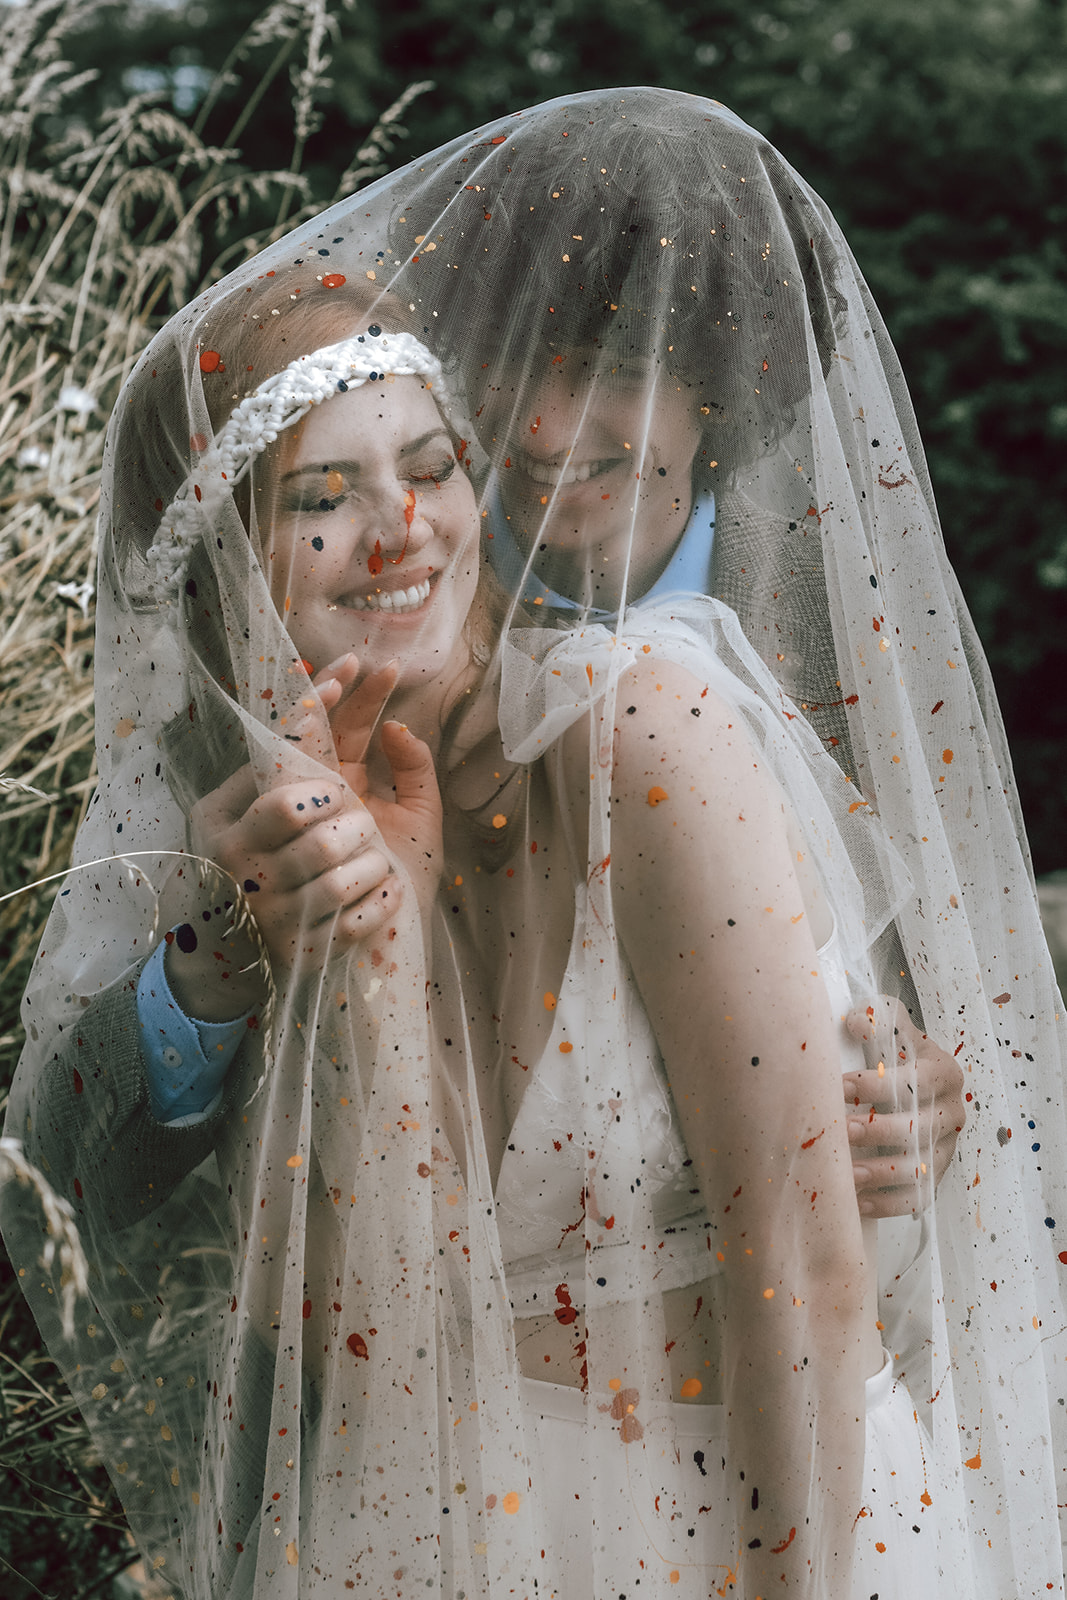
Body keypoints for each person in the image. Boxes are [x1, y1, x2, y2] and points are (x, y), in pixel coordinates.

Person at [0, 87, 1062, 1600]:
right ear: (223, 570)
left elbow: (807, 1271)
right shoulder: (243, 843)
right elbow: (132, 1228)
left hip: (746, 1531)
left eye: (428, 469)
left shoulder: (646, 736)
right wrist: (268, 957)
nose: (403, 533)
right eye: (322, 497)